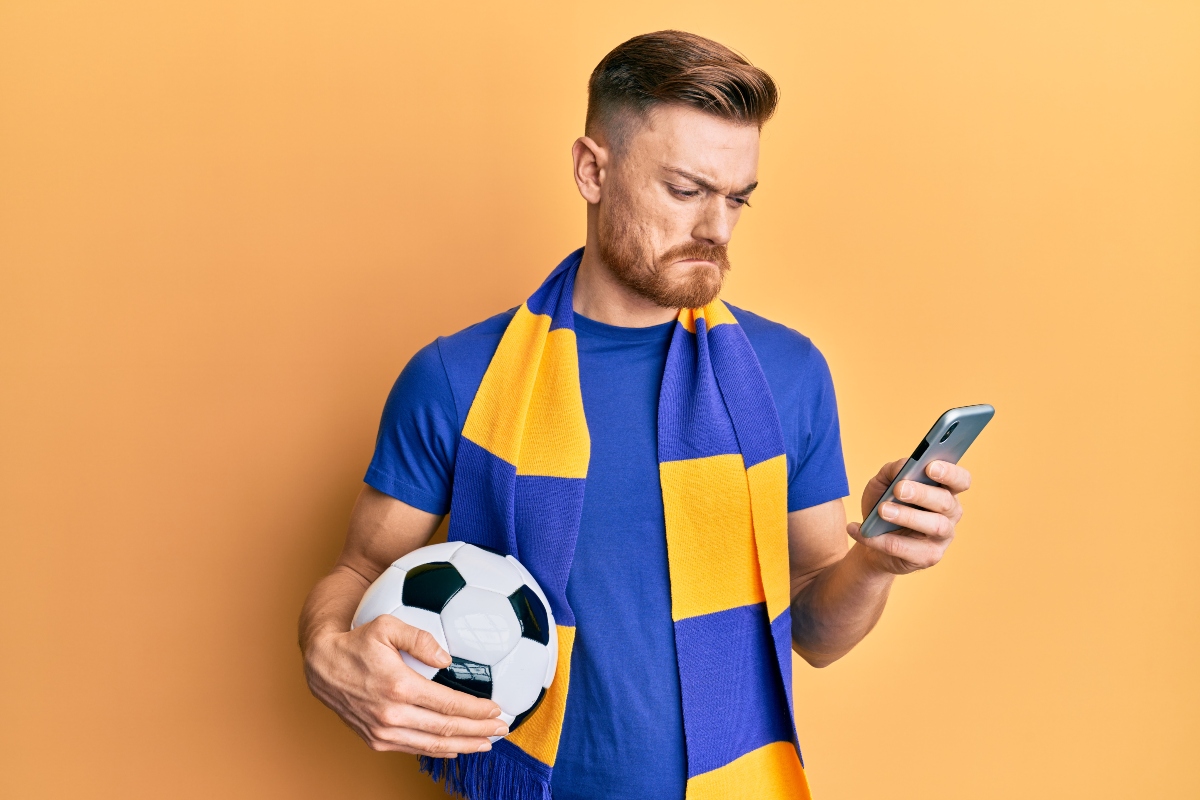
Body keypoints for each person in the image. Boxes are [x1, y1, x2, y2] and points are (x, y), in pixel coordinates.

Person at [299, 30, 974, 800]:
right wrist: (326, 649)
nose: (716, 229)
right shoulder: (456, 377)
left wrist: (877, 564)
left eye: (737, 198)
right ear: (593, 169)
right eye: (686, 191)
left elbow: (813, 635)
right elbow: (359, 569)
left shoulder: (788, 375)